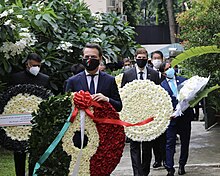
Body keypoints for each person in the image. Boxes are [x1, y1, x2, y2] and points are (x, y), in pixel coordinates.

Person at [7, 53, 50, 176]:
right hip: (18, 121)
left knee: (35, 152)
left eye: (39, 65)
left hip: (36, 121)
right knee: (19, 152)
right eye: (34, 65)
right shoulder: (16, 78)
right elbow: (10, 98)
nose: (36, 68)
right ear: (27, 64)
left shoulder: (44, 79)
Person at [121, 47, 160, 176]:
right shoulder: (128, 74)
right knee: (134, 145)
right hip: (133, 115)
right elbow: (123, 94)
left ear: (147, 59)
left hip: (148, 115)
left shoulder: (154, 74)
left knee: (147, 145)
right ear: (135, 58)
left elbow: (158, 94)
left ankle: (145, 171)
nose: (141, 60)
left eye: (143, 58)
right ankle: (137, 173)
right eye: (139, 58)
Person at [65, 43, 122, 112]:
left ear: (100, 58)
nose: (89, 60)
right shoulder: (72, 81)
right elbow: (66, 108)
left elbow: (119, 106)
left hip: (103, 121)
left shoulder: (110, 80)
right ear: (82, 58)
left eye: (93, 57)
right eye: (87, 57)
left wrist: (107, 99)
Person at [159, 62, 194, 176]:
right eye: (167, 69)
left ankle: (182, 165)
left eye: (171, 67)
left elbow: (191, 95)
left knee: (185, 142)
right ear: (163, 73)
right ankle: (170, 168)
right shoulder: (161, 86)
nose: (170, 70)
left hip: (185, 116)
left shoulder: (183, 80)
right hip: (171, 118)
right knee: (169, 143)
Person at [151, 50, 167, 169]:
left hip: (163, 108)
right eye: (154, 58)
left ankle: (166, 159)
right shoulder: (150, 74)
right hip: (152, 109)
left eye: (158, 58)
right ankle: (157, 159)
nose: (156, 60)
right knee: (154, 137)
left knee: (164, 136)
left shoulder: (166, 73)